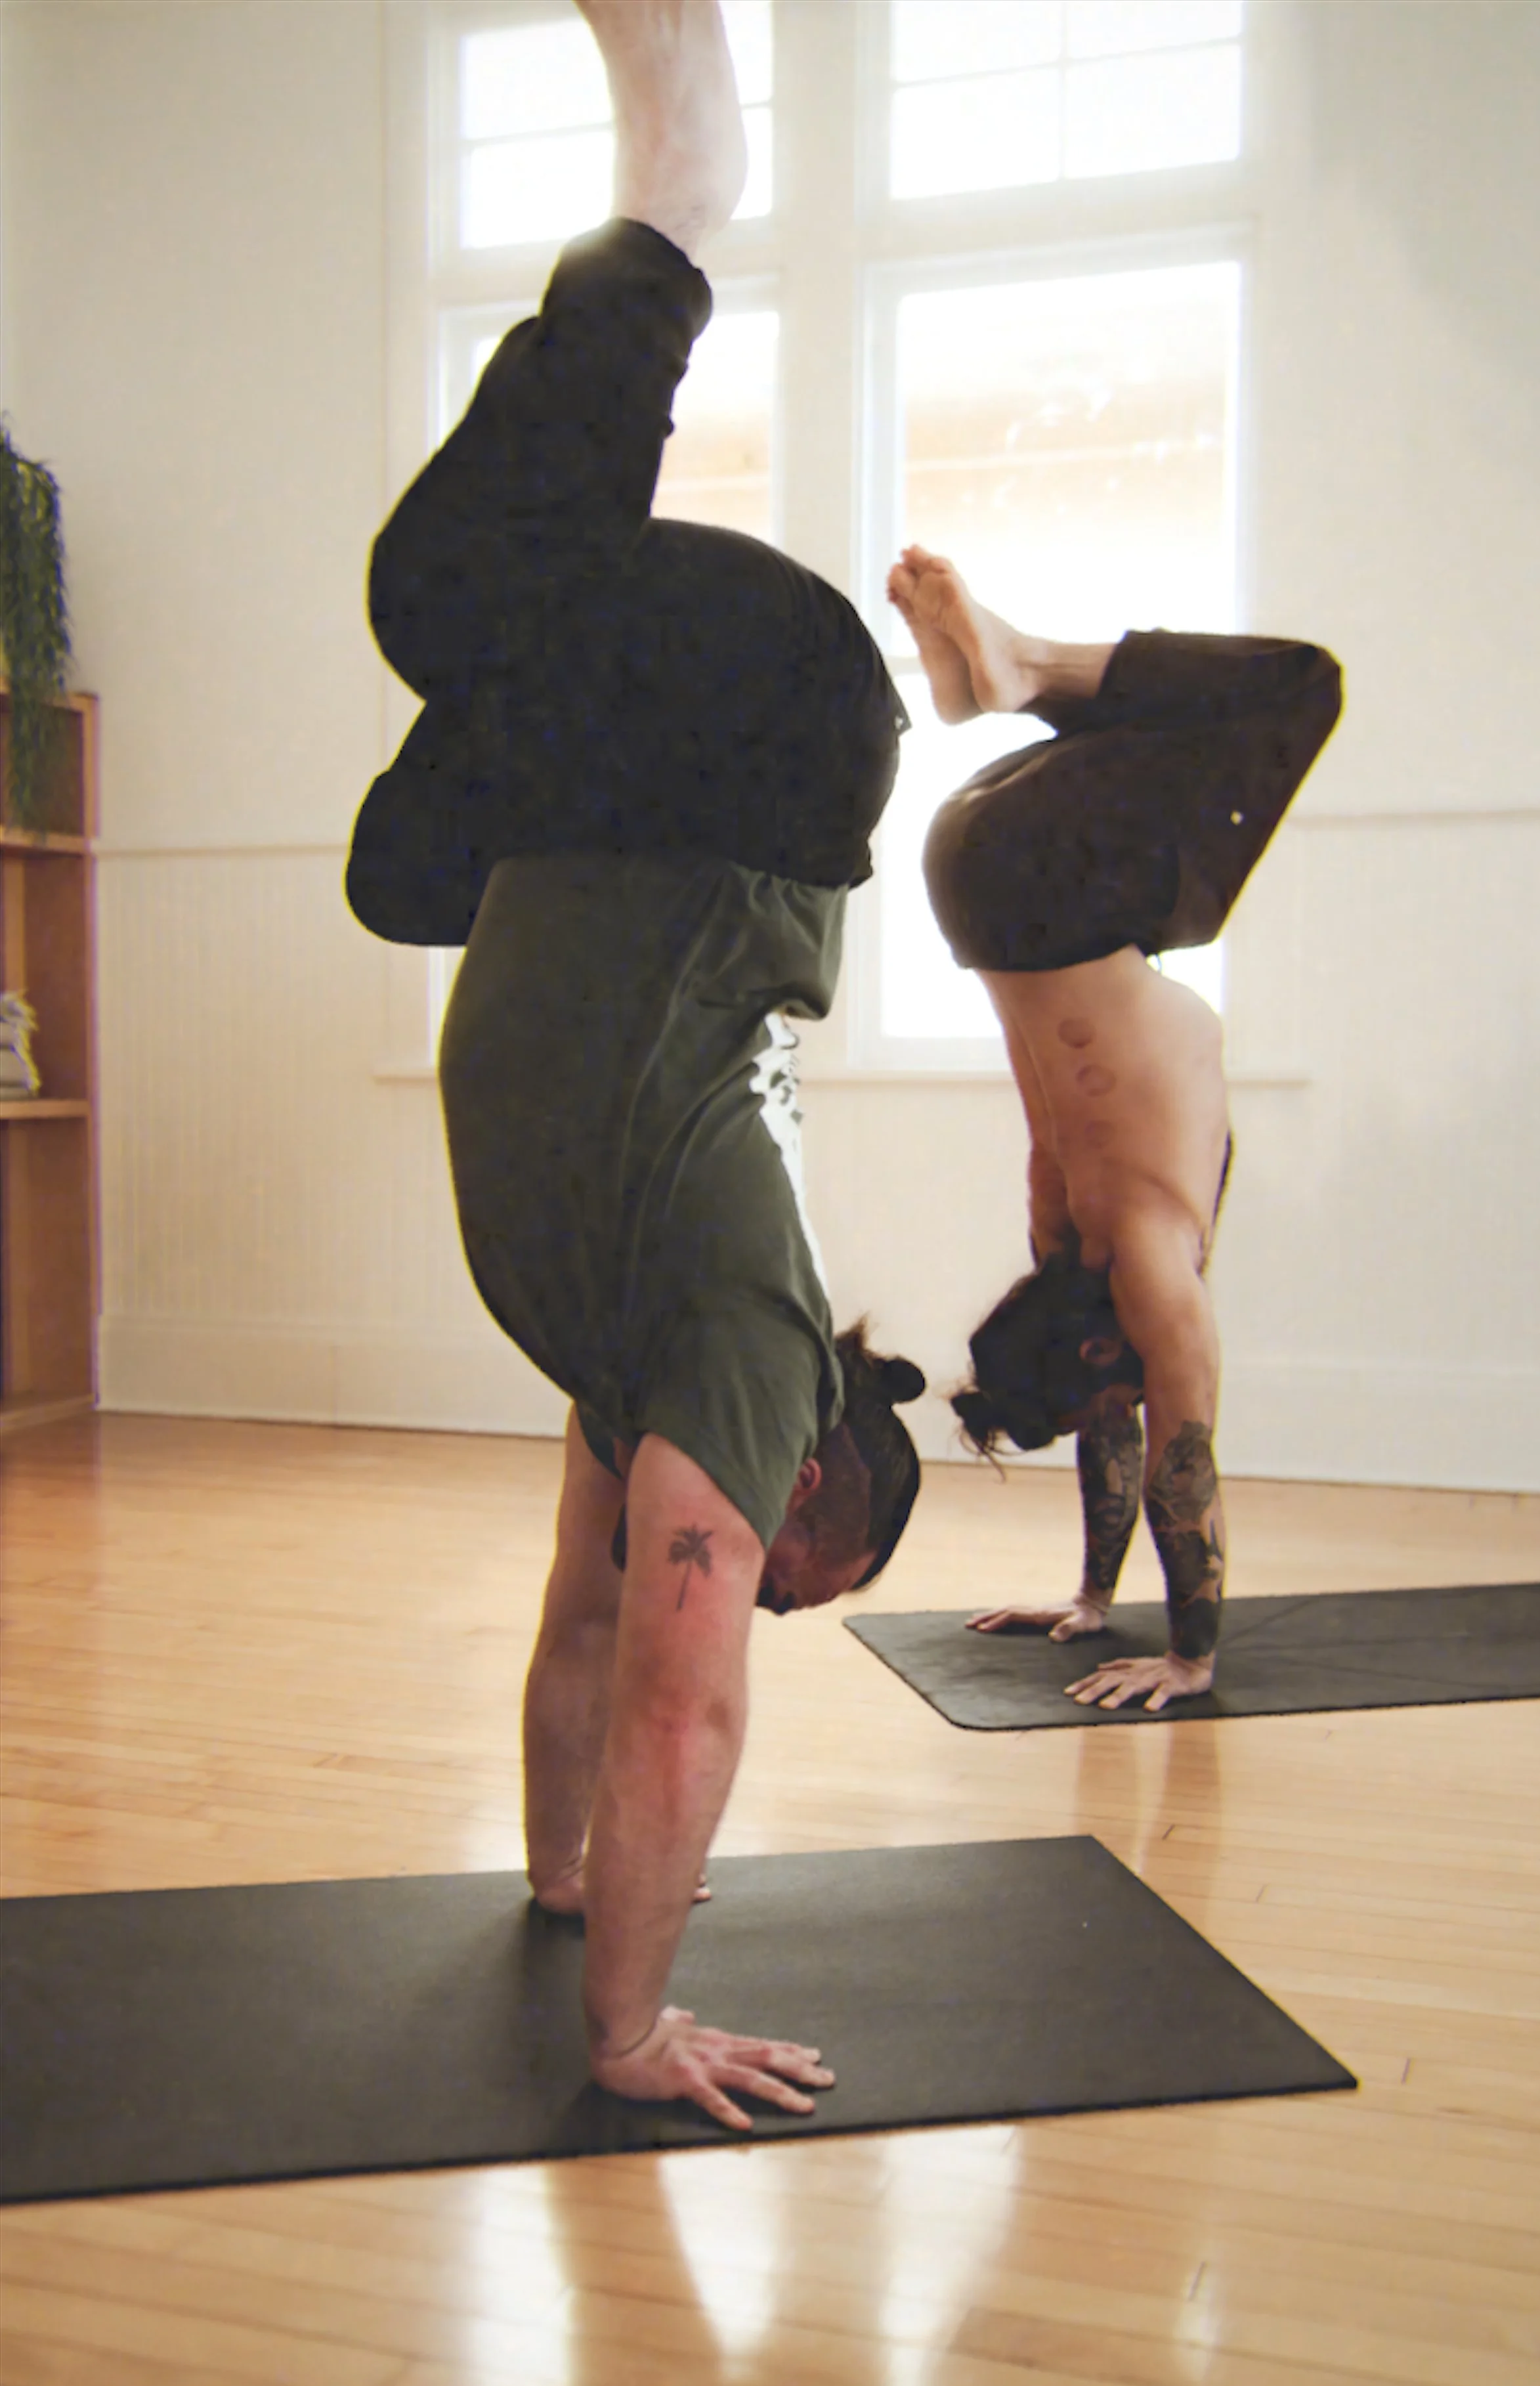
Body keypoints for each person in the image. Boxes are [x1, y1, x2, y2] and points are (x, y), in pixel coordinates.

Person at [346, 0, 926, 2131]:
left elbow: (590, 1645)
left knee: (410, 861)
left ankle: (672, 173)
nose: (753, 1586)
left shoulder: (643, 1364)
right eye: (795, 1573)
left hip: (646, 802)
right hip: (762, 749)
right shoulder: (753, 1354)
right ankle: (687, 158)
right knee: (446, 590)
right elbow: (685, 1692)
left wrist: (567, 1879)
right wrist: (627, 2033)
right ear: (814, 1485)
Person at [887, 545, 1342, 1713]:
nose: (1120, 1419)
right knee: (1199, 780)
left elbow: (1184, 1471)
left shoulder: (1141, 1255)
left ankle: (1022, 665)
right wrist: (1090, 1600)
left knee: (1299, 688)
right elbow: (1117, 1421)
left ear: (1096, 1347)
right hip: (983, 871)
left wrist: (1191, 1657)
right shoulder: (1069, 1238)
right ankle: (1011, 678)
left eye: (1103, 1396)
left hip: (1052, 881)